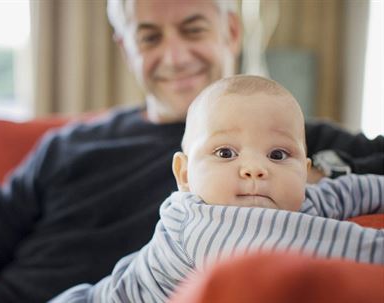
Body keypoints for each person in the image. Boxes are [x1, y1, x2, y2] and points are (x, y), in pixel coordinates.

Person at [0, 1, 383, 302]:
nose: (175, 55)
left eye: (192, 28)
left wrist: (326, 170)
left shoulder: (287, 134)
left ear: (231, 31)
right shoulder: (68, 145)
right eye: (149, 37)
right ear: (126, 48)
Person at [49, 75, 384, 303]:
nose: (255, 168)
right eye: (225, 153)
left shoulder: (286, 197)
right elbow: (340, 247)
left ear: (305, 171)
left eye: (278, 154)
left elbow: (346, 192)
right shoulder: (207, 223)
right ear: (184, 174)